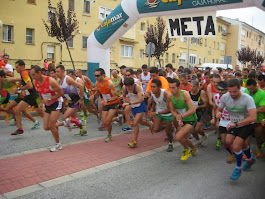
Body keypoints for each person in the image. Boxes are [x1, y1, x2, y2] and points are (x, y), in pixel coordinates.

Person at [216, 79, 257, 180]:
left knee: (236, 145)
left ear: (239, 88)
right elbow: (219, 109)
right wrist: (218, 114)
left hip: (247, 123)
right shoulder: (225, 97)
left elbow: (253, 117)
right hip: (234, 123)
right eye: (230, 92)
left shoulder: (247, 99)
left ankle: (238, 168)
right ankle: (250, 159)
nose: (232, 94)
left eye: (235, 91)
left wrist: (237, 123)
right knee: (228, 141)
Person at [31, 65, 64, 152]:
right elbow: (39, 92)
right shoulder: (35, 82)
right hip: (48, 104)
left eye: (33, 75)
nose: (32, 77)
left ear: (39, 73)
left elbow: (61, 92)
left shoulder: (50, 81)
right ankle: (64, 123)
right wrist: (41, 102)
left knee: (51, 125)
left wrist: (49, 99)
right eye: (31, 75)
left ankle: (58, 145)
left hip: (57, 102)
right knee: (46, 127)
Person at [168, 78, 198, 161]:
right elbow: (172, 110)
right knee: (183, 138)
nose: (171, 90)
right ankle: (194, 148)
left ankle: (185, 149)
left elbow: (193, 109)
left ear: (178, 87)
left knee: (178, 137)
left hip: (191, 118)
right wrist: (177, 116)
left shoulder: (185, 94)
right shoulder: (170, 96)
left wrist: (181, 116)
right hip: (182, 119)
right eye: (170, 87)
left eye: (173, 88)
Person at [11, 60, 44, 135]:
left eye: (17, 67)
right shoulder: (23, 74)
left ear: (22, 66)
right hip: (28, 96)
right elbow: (24, 84)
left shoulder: (24, 73)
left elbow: (30, 86)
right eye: (15, 67)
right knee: (17, 111)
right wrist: (18, 88)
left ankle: (55, 122)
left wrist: (19, 89)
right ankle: (20, 129)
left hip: (34, 96)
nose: (16, 69)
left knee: (42, 113)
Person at [90, 68, 120, 142]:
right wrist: (93, 95)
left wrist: (107, 100)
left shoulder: (109, 83)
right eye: (95, 76)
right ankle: (118, 118)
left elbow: (116, 96)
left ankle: (109, 135)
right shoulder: (97, 83)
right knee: (104, 122)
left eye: (98, 76)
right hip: (106, 103)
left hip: (113, 102)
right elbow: (99, 90)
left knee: (108, 121)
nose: (96, 77)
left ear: (103, 75)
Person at [55, 65, 86, 135]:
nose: (56, 73)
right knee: (73, 118)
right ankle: (83, 129)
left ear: (63, 72)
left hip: (76, 101)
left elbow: (81, 86)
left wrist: (81, 99)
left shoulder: (67, 79)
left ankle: (82, 123)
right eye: (55, 71)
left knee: (64, 117)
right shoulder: (59, 81)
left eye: (58, 71)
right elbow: (64, 93)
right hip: (70, 101)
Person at [122, 77, 152, 147]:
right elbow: (123, 96)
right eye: (127, 86)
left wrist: (128, 103)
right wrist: (124, 102)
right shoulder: (124, 88)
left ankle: (135, 141)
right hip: (133, 107)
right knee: (140, 122)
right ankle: (150, 125)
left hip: (140, 106)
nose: (129, 88)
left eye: (130, 86)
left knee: (135, 123)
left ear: (133, 84)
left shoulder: (137, 87)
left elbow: (140, 100)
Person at [211, 81, 235, 164]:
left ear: (227, 90)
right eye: (219, 90)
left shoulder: (232, 97)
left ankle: (239, 151)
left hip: (232, 121)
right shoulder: (216, 96)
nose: (220, 92)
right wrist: (216, 119)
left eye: (222, 90)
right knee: (224, 142)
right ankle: (233, 154)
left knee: (229, 141)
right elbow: (215, 108)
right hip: (223, 120)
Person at [148, 79, 173, 152]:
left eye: (154, 87)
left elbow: (170, 109)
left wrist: (155, 113)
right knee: (155, 129)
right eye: (151, 87)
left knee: (168, 132)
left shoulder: (165, 94)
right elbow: (155, 103)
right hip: (158, 113)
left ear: (159, 87)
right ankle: (167, 128)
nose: (152, 89)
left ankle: (170, 143)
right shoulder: (152, 94)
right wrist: (151, 110)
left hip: (168, 113)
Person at [245, 79, 265, 158]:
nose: (249, 90)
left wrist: (251, 111)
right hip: (247, 118)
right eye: (248, 88)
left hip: (258, 118)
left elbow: (263, 109)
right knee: (246, 135)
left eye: (251, 88)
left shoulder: (262, 93)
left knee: (258, 136)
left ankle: (259, 148)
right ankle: (248, 151)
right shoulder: (245, 91)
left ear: (256, 86)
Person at [189, 80, 208, 146]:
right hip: (193, 112)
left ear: (197, 87)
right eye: (191, 86)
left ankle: (204, 135)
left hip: (201, 112)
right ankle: (198, 140)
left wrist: (198, 107)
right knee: (192, 130)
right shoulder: (188, 93)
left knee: (196, 129)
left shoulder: (201, 92)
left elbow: (206, 104)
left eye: (194, 86)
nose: (192, 88)